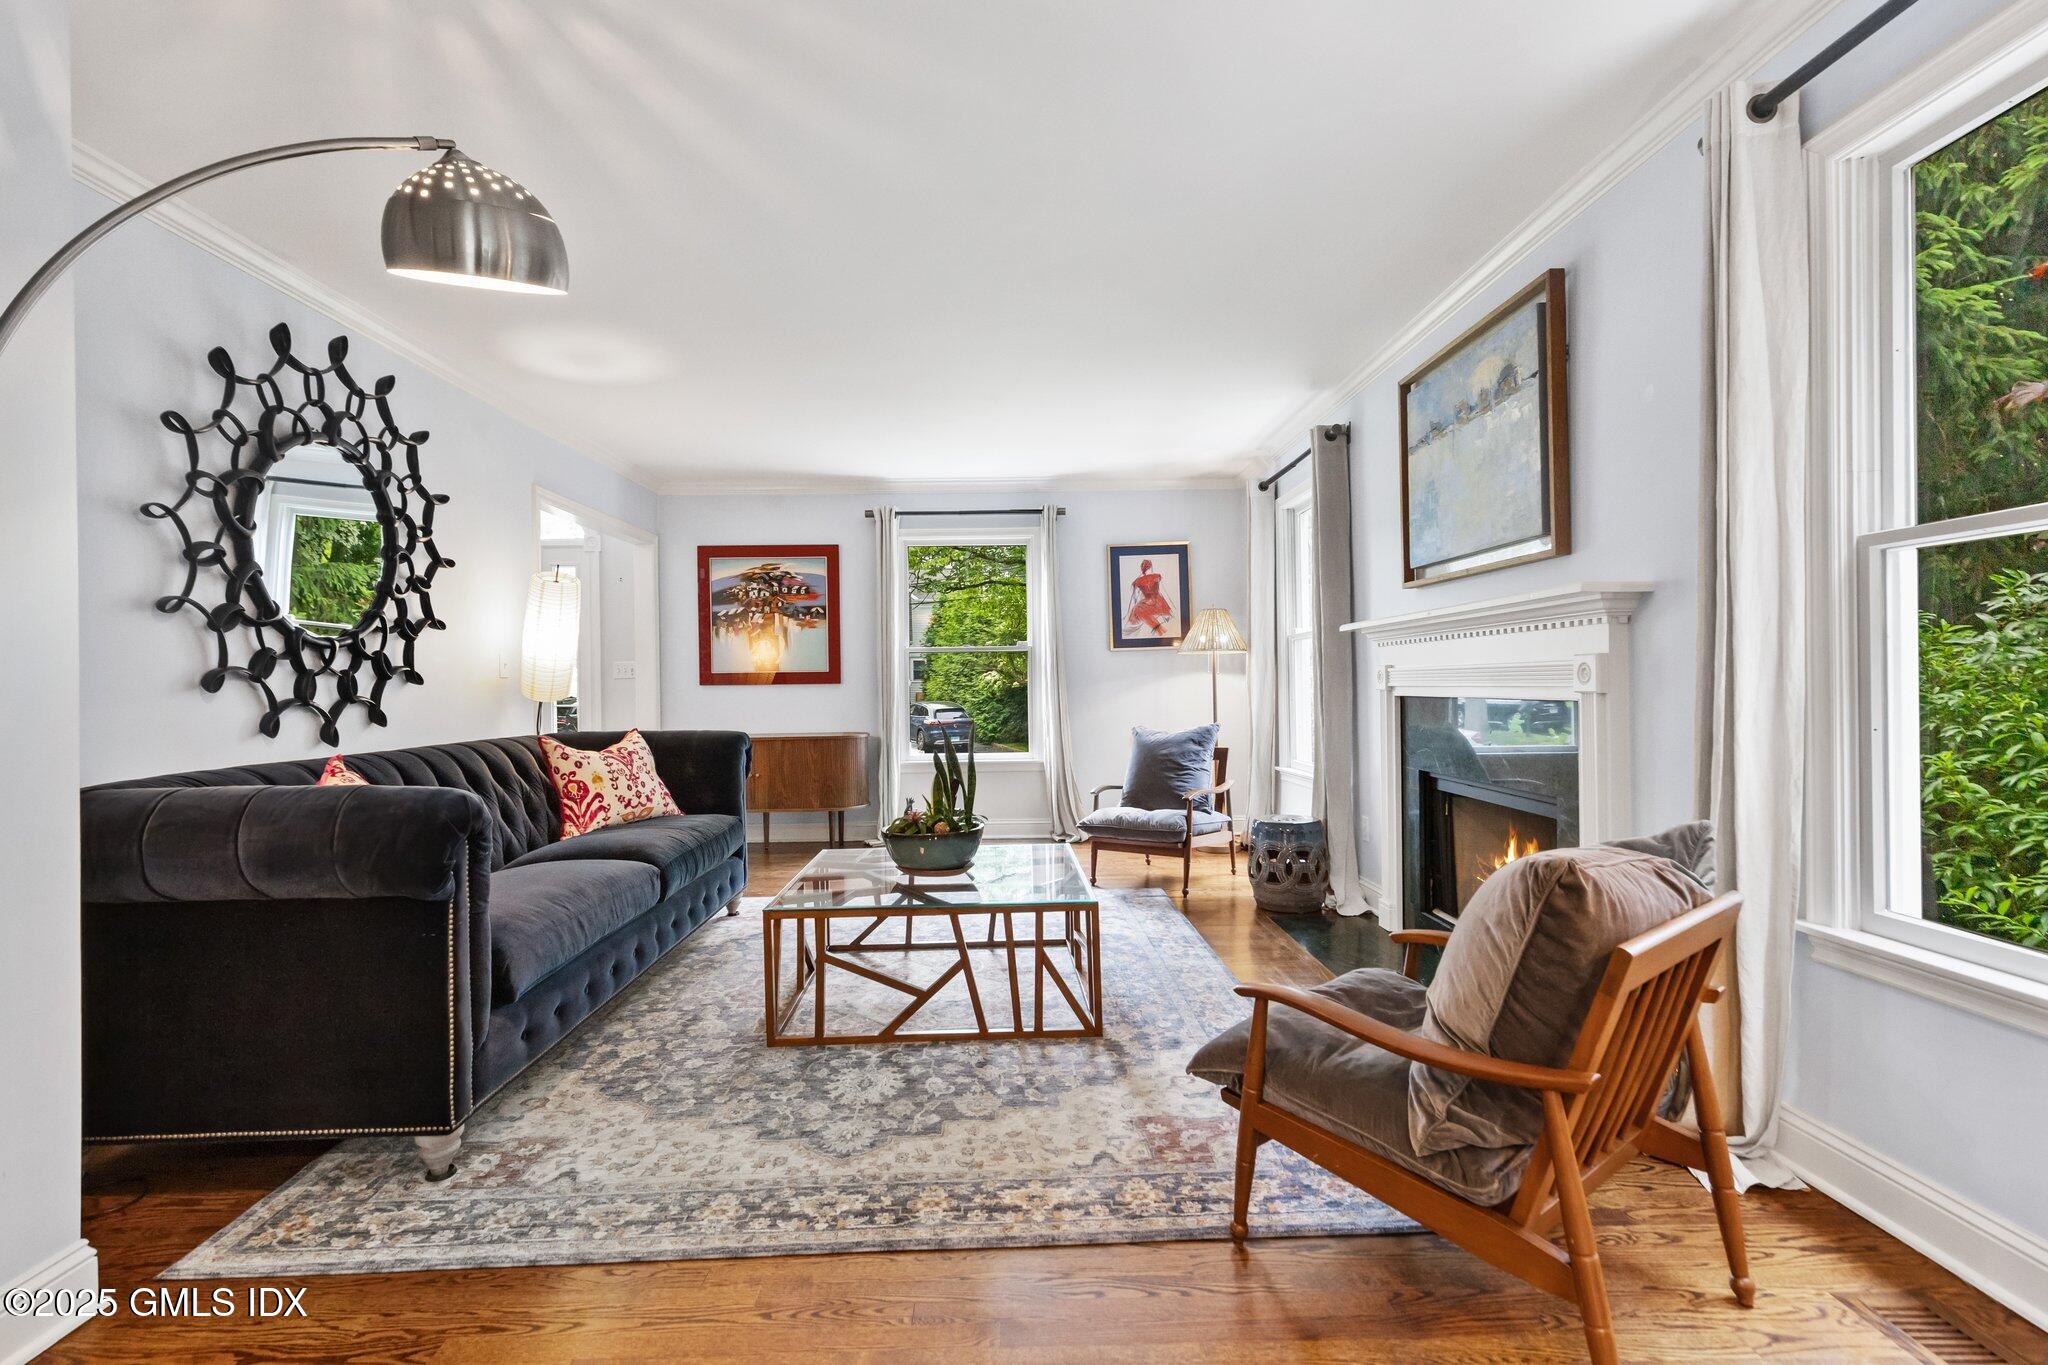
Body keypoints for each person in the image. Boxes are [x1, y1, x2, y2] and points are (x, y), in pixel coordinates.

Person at [1125, 558, 1175, 637]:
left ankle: (1158, 629)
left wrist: (1130, 611)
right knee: (1139, 609)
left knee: (1138, 609)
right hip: (1159, 602)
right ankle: (1159, 629)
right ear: (1151, 567)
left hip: (1151, 603)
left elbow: (1135, 598)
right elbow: (1164, 592)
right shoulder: (1156, 576)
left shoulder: (1137, 581)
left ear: (1142, 568)